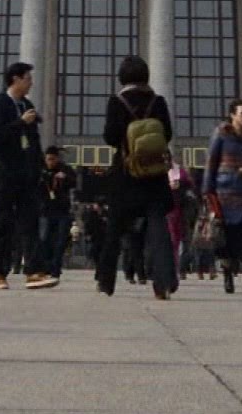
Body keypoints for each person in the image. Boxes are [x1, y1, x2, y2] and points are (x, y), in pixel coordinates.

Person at [95, 56, 178, 299]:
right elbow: (167, 133)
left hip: (126, 173)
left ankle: (106, 281)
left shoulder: (117, 101)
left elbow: (110, 137)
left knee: (114, 229)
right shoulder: (157, 101)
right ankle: (164, 281)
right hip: (154, 174)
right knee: (158, 228)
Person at [0, 62, 55, 289]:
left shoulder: (27, 105)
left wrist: (39, 167)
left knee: (30, 223)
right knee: (2, 223)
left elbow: (34, 140)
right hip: (4, 174)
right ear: (15, 79)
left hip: (27, 175)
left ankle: (34, 272)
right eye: (27, 78)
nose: (31, 83)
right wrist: (20, 123)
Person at [204, 100, 242, 294]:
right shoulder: (221, 134)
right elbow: (211, 163)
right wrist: (207, 191)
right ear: (232, 115)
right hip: (225, 194)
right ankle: (228, 276)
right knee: (225, 239)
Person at [37, 145, 76, 279]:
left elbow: (74, 182)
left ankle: (55, 268)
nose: (50, 162)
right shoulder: (41, 170)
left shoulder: (65, 169)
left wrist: (64, 178)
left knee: (61, 241)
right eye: (48, 159)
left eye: (53, 159)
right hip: (46, 210)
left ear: (57, 159)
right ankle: (47, 267)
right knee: (45, 240)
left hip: (62, 210)